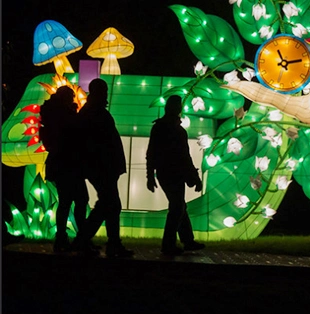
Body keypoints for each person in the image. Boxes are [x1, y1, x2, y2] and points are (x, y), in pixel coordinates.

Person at [75, 78, 134, 258]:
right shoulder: (95, 112)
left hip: (101, 167)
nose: (107, 93)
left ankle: (90, 240)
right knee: (110, 204)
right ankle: (92, 240)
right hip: (103, 167)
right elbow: (100, 143)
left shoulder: (91, 111)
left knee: (108, 204)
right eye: (104, 90)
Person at [146, 94, 205, 257]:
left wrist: (150, 175)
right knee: (177, 207)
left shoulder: (159, 127)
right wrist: (194, 177)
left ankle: (186, 241)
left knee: (178, 206)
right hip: (174, 174)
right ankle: (170, 244)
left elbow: (151, 153)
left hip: (165, 173)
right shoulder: (178, 131)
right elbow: (185, 156)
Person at [39, 85, 91, 253]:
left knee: (66, 202)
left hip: (59, 164)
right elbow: (74, 137)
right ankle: (79, 238)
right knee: (80, 200)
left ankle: (63, 237)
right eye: (70, 97)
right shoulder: (65, 116)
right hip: (70, 165)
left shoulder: (52, 114)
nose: (73, 100)